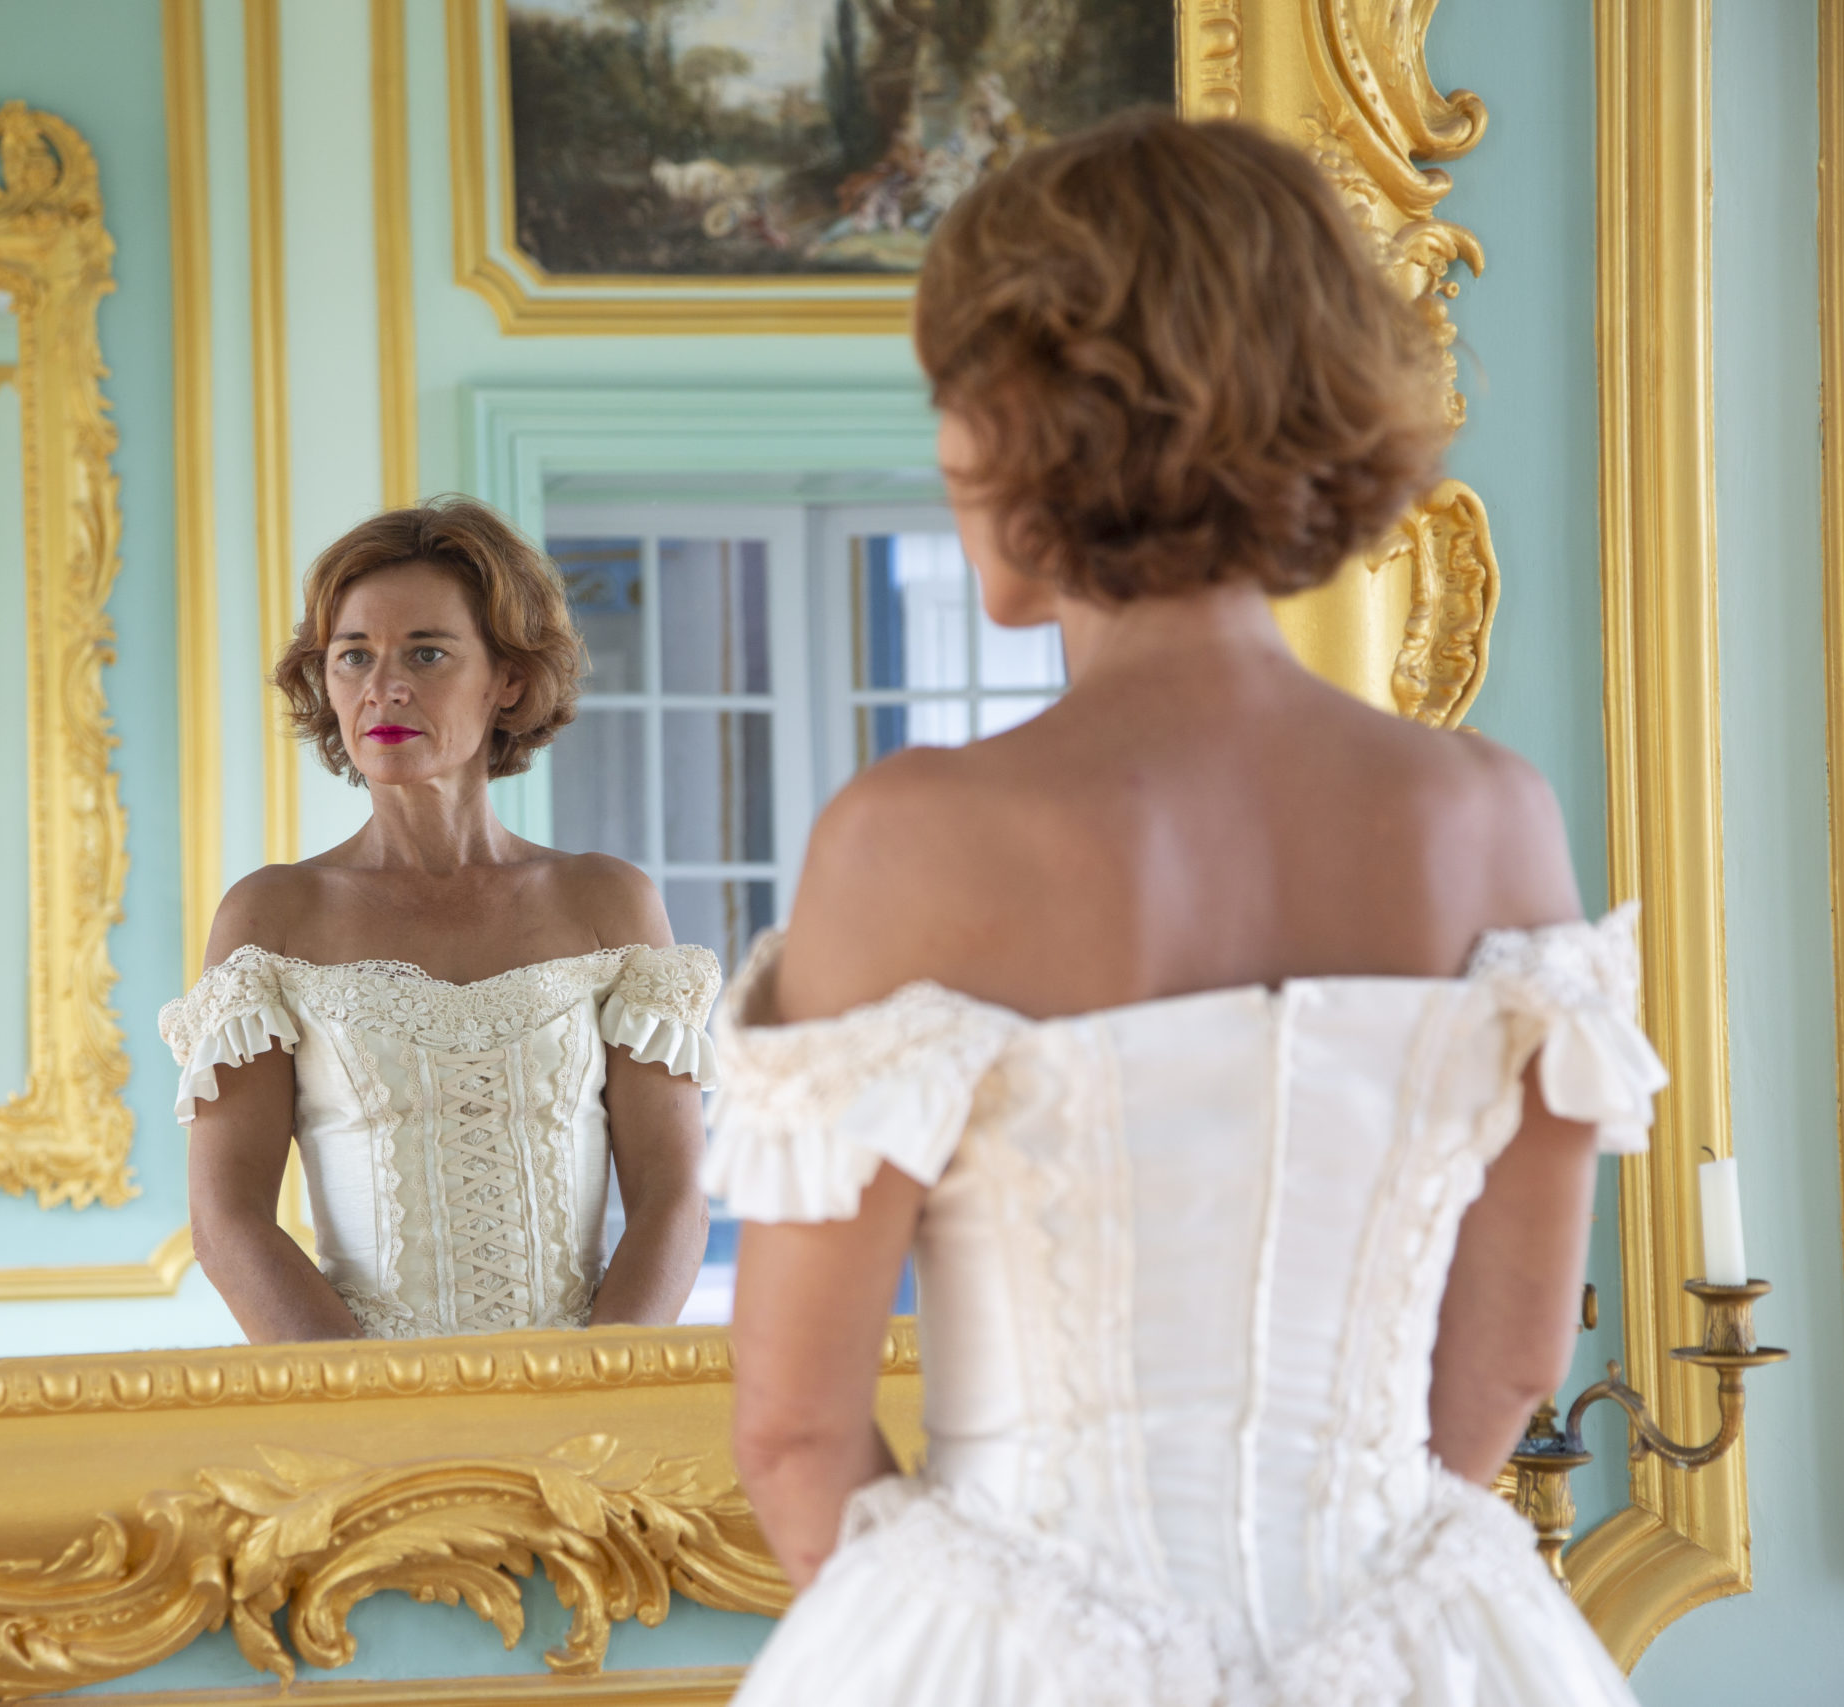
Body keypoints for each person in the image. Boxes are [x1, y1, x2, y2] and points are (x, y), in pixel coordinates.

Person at [707, 112, 1659, 1705]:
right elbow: (1507, 1360)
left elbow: (794, 1429)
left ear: (1022, 422)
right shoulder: (1495, 818)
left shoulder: (911, 840)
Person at [160, 499, 717, 1343]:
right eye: (354, 655)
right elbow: (228, 1221)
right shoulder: (272, 915)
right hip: (362, 1397)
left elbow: (673, 1197)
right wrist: (374, 1398)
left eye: (426, 652)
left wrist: (598, 1384)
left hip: (585, 1396)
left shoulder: (608, 902)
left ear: (508, 681)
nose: (383, 686)